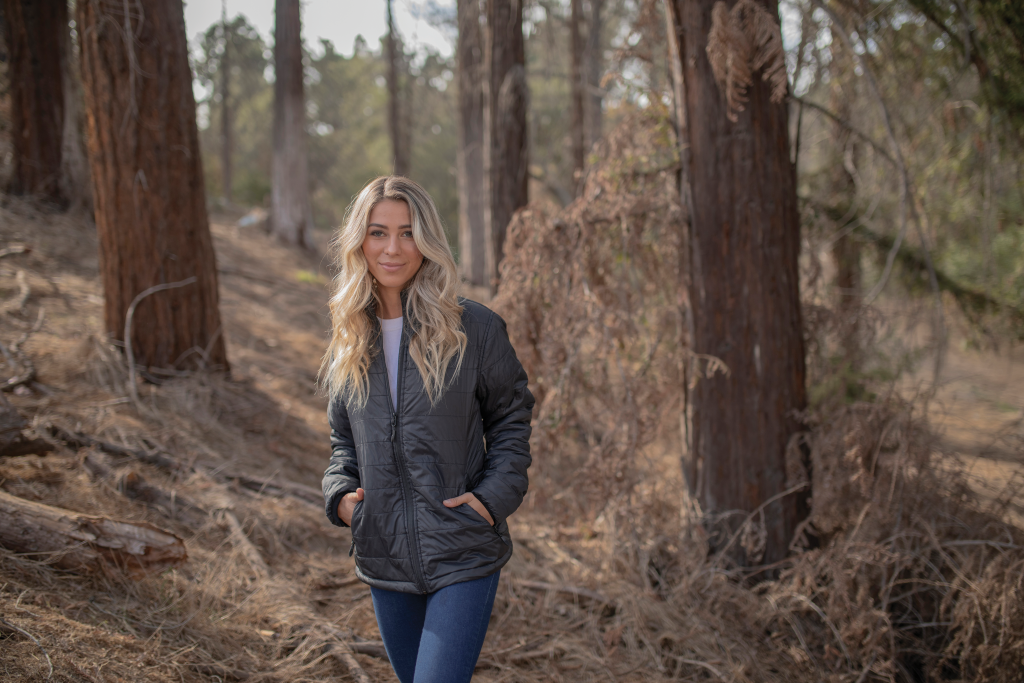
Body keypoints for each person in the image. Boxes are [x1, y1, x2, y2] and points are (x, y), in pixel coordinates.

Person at [321, 176, 534, 683]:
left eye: (408, 232)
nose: (392, 248)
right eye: (378, 232)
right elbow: (342, 443)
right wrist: (343, 500)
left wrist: (489, 501)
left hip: (462, 548)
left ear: (428, 240)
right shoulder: (351, 336)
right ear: (360, 242)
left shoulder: (472, 328)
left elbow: (512, 419)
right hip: (384, 552)